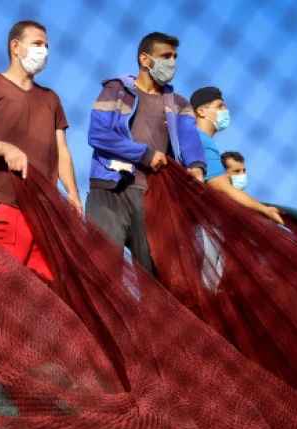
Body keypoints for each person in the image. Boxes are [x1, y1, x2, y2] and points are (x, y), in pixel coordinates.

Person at [0, 20, 81, 283]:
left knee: (48, 296)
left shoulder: (52, 99)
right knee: (8, 291)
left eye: (47, 46)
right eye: (37, 44)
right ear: (15, 47)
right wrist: (6, 148)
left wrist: (72, 192)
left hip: (47, 214)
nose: (44, 52)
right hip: (6, 205)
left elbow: (62, 149)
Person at [85, 32, 207, 274]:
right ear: (145, 59)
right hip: (109, 192)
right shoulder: (116, 91)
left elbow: (190, 139)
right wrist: (143, 154)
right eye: (166, 56)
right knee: (102, 272)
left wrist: (196, 166)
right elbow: (97, 134)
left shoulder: (179, 104)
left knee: (155, 280)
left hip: (154, 198)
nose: (172, 63)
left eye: (174, 57)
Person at [190, 87, 282, 223]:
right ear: (201, 111)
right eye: (220, 106)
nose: (225, 111)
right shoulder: (202, 141)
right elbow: (224, 189)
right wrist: (264, 209)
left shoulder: (195, 138)